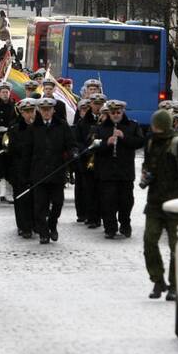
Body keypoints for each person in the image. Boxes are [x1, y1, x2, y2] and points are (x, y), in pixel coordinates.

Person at [142, 108, 178, 300]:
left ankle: (175, 285)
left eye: (158, 126)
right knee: (150, 242)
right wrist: (146, 175)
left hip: (176, 204)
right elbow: (147, 165)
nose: (156, 129)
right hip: (155, 202)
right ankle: (158, 281)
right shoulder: (151, 142)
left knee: (177, 247)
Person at [24, 97, 75, 244]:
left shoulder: (62, 125)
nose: (46, 112)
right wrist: (26, 174)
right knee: (40, 206)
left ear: (53, 110)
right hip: (38, 173)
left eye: (49, 109)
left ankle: (52, 224)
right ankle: (43, 232)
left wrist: (73, 152)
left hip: (57, 172)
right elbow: (27, 152)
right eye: (43, 110)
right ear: (39, 111)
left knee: (58, 203)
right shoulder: (34, 127)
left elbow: (71, 144)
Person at [93, 100, 144, 239]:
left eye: (118, 112)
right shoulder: (100, 128)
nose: (115, 115)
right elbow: (93, 147)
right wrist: (106, 143)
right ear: (108, 113)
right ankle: (110, 227)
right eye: (113, 113)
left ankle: (125, 224)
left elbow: (139, 142)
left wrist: (124, 137)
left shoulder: (132, 126)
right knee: (108, 201)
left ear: (122, 112)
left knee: (126, 201)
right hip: (107, 171)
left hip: (125, 171)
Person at [7, 99, 37, 238]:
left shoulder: (40, 126)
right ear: (21, 113)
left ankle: (36, 224)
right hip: (19, 168)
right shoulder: (14, 127)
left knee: (37, 199)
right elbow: (13, 149)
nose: (29, 114)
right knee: (21, 199)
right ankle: (23, 226)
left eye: (32, 111)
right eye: (26, 112)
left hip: (36, 168)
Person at [73, 93, 103, 227]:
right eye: (95, 104)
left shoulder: (105, 120)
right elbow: (77, 140)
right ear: (91, 104)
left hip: (103, 159)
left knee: (102, 190)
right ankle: (91, 217)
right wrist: (86, 150)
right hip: (87, 159)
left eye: (100, 104)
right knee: (88, 189)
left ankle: (101, 215)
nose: (98, 107)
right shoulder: (83, 122)